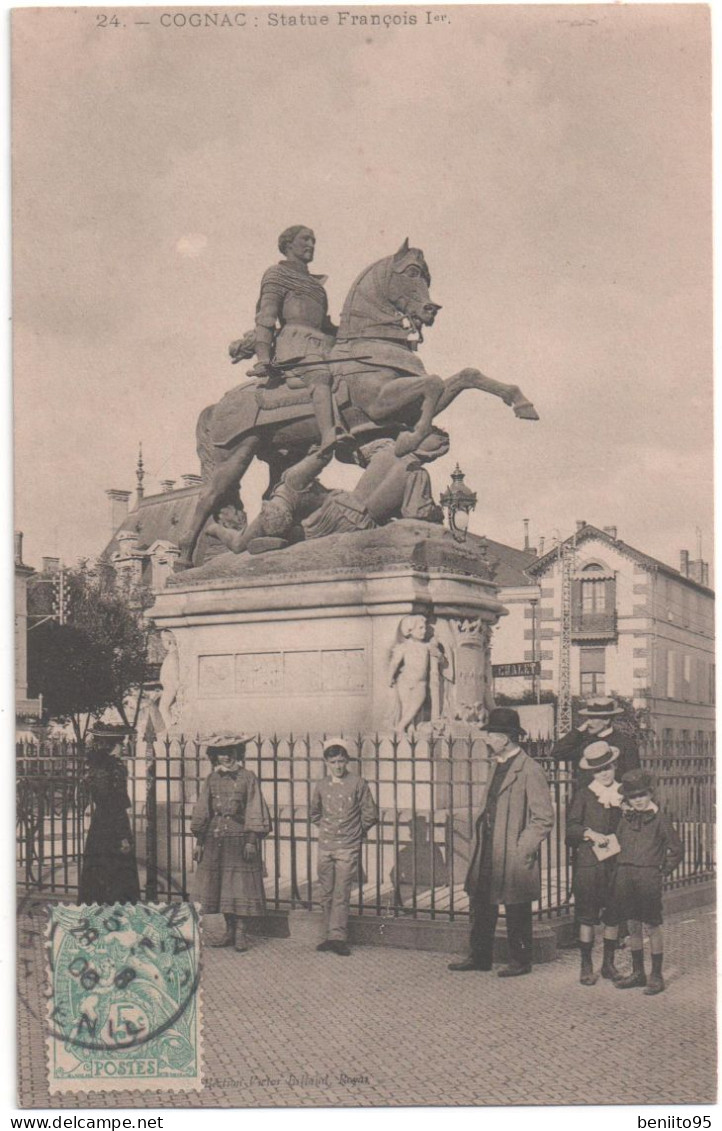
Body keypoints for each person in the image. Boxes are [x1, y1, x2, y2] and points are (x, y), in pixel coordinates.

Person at [449, 708, 554, 977]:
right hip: (487, 846)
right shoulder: (496, 764)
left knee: (516, 906)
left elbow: (543, 818)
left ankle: (521, 961)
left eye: (492, 734)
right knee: (481, 901)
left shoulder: (530, 770)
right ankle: (480, 956)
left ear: (506, 738)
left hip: (512, 850)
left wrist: (523, 849)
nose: (487, 739)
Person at [246, 225, 351, 455]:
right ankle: (329, 435)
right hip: (294, 346)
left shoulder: (317, 286)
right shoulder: (276, 274)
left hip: (323, 345)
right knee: (320, 375)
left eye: (314, 240)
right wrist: (262, 358)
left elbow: (326, 326)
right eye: (305, 239)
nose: (311, 245)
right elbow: (266, 319)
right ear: (288, 244)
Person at [191, 735, 272, 952]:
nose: (225, 756)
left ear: (237, 752)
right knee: (221, 887)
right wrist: (199, 842)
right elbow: (203, 810)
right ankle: (228, 930)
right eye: (220, 753)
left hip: (239, 839)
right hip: (215, 839)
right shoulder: (211, 779)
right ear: (215, 755)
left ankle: (241, 932)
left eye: (229, 751)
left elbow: (255, 808)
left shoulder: (248, 777)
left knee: (240, 887)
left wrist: (251, 841)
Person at [609, 769, 683, 995]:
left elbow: (677, 849)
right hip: (625, 876)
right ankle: (638, 972)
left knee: (651, 924)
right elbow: (617, 843)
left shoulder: (660, 818)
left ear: (650, 794)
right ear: (627, 799)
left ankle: (656, 975)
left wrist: (662, 870)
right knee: (632, 924)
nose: (639, 800)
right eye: (634, 797)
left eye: (642, 795)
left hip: (648, 877)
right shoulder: (625, 818)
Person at [310, 740, 378, 956]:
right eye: (333, 762)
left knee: (341, 892)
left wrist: (355, 832)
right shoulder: (321, 785)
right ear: (326, 763)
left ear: (347, 761)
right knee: (327, 892)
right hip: (326, 845)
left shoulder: (358, 783)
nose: (338, 766)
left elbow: (370, 814)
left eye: (341, 761)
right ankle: (328, 936)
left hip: (347, 846)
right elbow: (314, 813)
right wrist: (327, 829)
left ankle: (338, 937)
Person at [565, 741, 624, 985]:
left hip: (617, 863)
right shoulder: (584, 795)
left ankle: (608, 964)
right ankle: (586, 964)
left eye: (608, 767)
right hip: (590, 864)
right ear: (592, 772)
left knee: (613, 915)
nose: (604, 773)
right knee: (587, 915)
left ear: (614, 766)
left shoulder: (624, 793)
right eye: (599, 770)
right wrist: (589, 833)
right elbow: (570, 831)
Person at [78, 724, 141, 906]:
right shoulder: (115, 769)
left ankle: (96, 914)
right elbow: (115, 804)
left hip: (99, 825)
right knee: (117, 873)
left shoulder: (94, 766)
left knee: (97, 871)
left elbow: (100, 798)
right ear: (113, 746)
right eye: (121, 744)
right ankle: (118, 915)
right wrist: (123, 837)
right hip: (113, 827)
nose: (123, 748)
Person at [549, 697, 641, 781]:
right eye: (588, 718)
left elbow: (633, 777)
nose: (588, 722)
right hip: (586, 797)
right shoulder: (584, 741)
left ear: (606, 720)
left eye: (593, 718)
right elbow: (557, 752)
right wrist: (578, 731)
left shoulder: (625, 743)